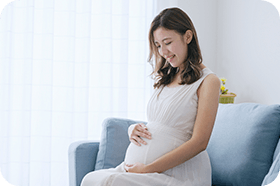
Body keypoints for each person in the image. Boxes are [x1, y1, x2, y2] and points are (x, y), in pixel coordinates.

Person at [81, 7, 220, 186]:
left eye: (167, 42)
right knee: (90, 179)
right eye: (158, 45)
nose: (163, 51)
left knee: (110, 182)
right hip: (147, 170)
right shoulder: (167, 78)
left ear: (188, 37)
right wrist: (133, 130)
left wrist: (149, 168)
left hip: (181, 174)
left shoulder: (209, 81)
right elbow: (162, 125)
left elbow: (200, 142)